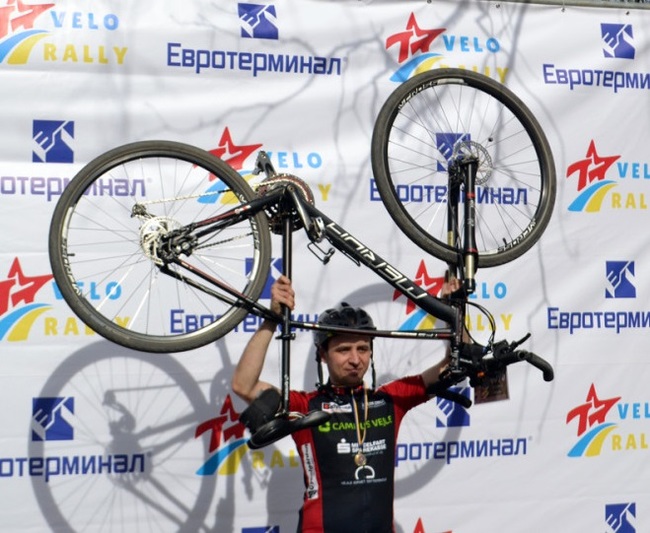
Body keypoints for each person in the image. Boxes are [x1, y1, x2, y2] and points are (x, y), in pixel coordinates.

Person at [231, 274, 461, 533]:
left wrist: (454, 314)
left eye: (362, 349)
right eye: (343, 350)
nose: (355, 359)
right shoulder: (304, 405)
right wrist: (272, 319)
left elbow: (452, 367)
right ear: (323, 355)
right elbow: (244, 385)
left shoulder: (390, 399)